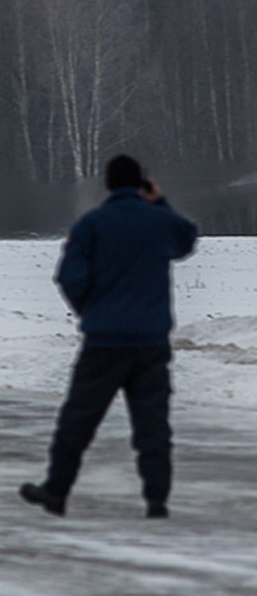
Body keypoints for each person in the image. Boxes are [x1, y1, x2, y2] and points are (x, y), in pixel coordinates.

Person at [20, 155, 198, 518]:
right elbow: (186, 240)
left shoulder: (92, 224)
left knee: (78, 419)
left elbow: (69, 276)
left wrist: (92, 310)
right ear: (142, 184)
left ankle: (56, 491)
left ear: (109, 184)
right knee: (152, 423)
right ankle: (156, 499)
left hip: (104, 342)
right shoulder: (160, 221)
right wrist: (159, 202)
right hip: (150, 342)